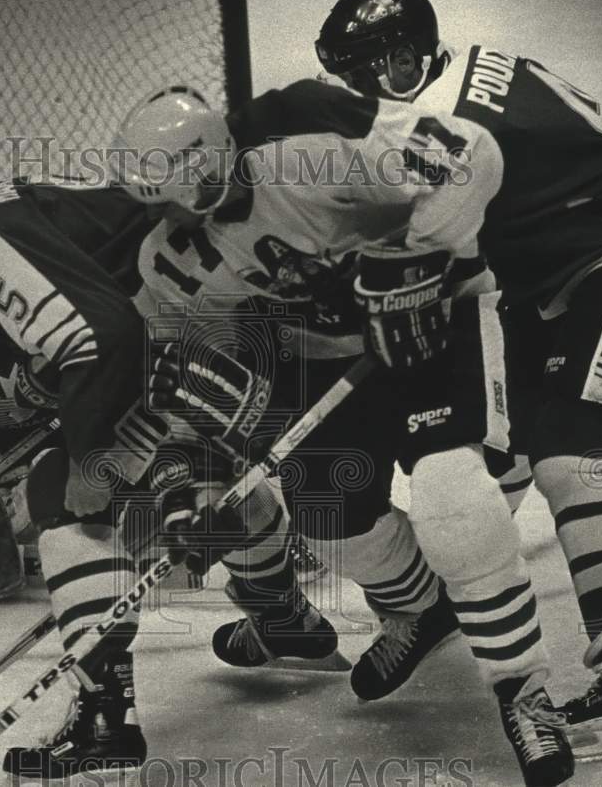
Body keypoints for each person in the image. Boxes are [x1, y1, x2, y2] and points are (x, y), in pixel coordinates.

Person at [115, 85, 573, 786]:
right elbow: (193, 382)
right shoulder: (172, 260)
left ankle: (522, 689)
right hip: (327, 359)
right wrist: (191, 491)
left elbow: (469, 155)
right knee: (331, 521)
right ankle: (424, 610)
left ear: (202, 174)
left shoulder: (307, 158)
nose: (163, 214)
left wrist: (415, 264)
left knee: (452, 494)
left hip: (439, 322)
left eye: (168, 195)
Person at [315, 0, 602, 762]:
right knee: (497, 448)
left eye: (360, 73)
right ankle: (446, 600)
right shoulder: (448, 74)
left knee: (570, 440)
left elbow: (428, 259)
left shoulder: (437, 127)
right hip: (571, 254)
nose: (350, 91)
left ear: (401, 62)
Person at [0, 179, 336, 782]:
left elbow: (100, 338)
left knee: (66, 493)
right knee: (203, 484)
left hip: (185, 336)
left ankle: (103, 719)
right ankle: (281, 611)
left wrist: (85, 460)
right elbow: (95, 319)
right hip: (211, 323)